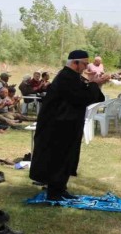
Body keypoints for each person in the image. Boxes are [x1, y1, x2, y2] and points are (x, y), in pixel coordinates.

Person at [30, 50, 108, 201]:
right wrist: (94, 84)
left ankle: (61, 188)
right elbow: (80, 98)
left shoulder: (72, 77)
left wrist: (93, 83)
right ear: (75, 63)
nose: (87, 67)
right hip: (57, 126)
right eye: (85, 64)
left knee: (66, 158)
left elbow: (83, 94)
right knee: (57, 159)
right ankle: (54, 193)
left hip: (66, 125)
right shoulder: (66, 77)